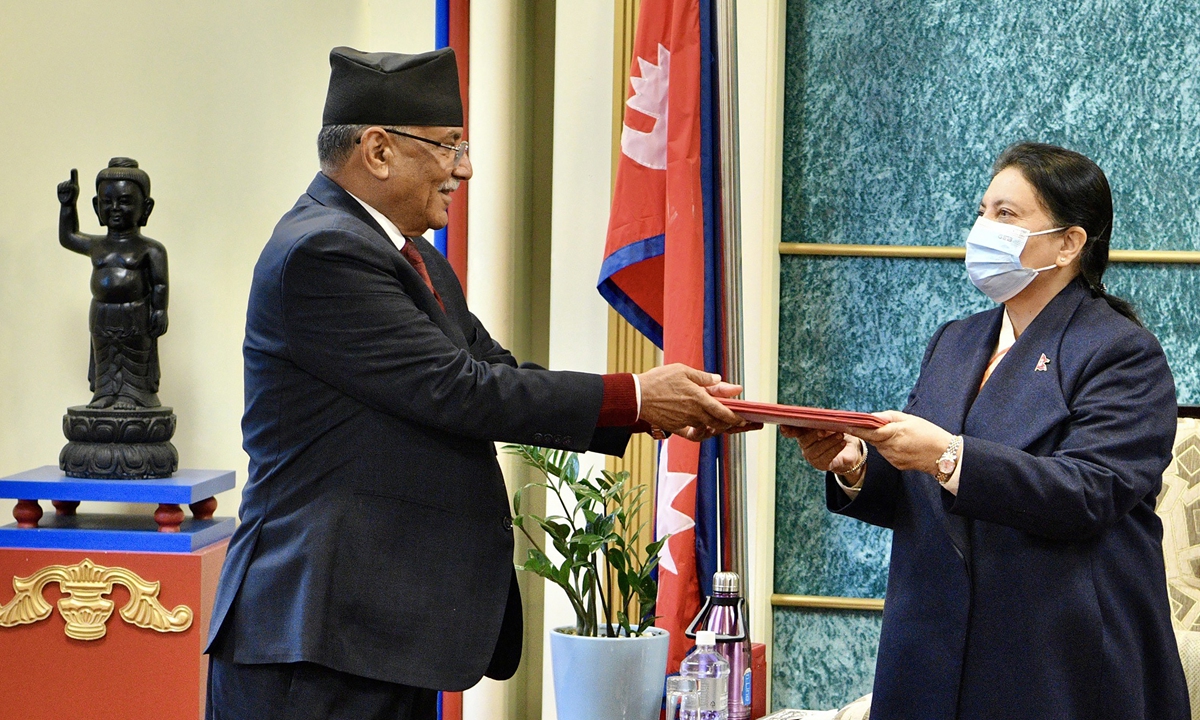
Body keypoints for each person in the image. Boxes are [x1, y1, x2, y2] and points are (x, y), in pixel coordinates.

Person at [204, 46, 748, 720]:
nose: (464, 168)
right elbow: (459, 390)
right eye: (447, 146)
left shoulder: (410, 258)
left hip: (372, 637)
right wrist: (636, 396)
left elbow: (500, 375)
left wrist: (652, 410)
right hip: (315, 642)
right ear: (377, 151)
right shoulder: (324, 252)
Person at [783, 142, 1189, 719]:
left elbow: (1090, 492)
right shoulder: (956, 339)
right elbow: (922, 490)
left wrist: (948, 456)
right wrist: (855, 465)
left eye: (1006, 215)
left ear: (1070, 243)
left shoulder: (1122, 352)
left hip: (1054, 655)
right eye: (982, 211)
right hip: (929, 644)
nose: (982, 229)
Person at [57, 158, 168, 409]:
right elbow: (68, 237)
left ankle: (134, 395)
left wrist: (160, 310)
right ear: (97, 207)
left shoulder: (151, 249)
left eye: (125, 201)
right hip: (101, 313)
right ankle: (105, 393)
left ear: (146, 208)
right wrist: (67, 205)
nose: (115, 207)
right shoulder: (97, 245)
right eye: (107, 202)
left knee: (135, 354)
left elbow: (160, 283)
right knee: (104, 354)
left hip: (136, 313)